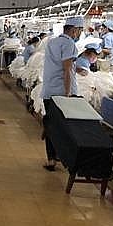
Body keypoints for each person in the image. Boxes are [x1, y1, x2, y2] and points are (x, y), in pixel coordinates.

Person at [40, 16, 83, 171]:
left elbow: (64, 65)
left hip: (49, 90)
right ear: (73, 30)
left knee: (52, 125)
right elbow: (66, 70)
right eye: (79, 31)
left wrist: (77, 68)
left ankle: (52, 158)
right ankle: (63, 156)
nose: (79, 34)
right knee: (64, 127)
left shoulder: (53, 42)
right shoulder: (69, 44)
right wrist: (67, 94)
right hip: (60, 92)